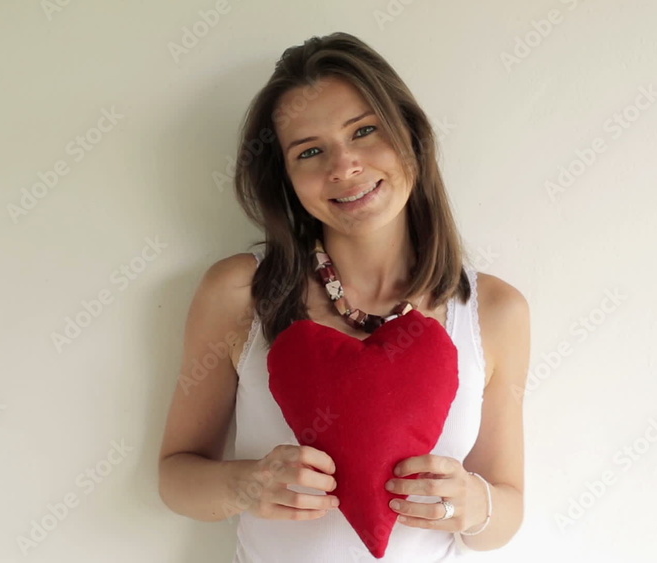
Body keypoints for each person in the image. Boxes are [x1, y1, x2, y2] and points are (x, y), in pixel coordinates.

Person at [157, 32, 530, 562]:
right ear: (286, 179)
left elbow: (507, 511)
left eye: (364, 131)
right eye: (310, 151)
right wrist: (248, 485)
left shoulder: (494, 311)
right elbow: (176, 477)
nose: (344, 166)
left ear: (410, 136)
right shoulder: (239, 292)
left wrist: (475, 505)